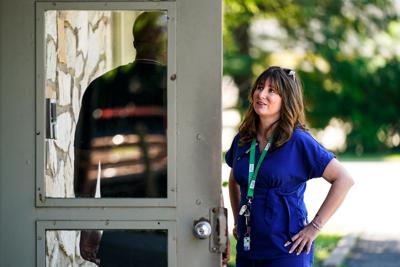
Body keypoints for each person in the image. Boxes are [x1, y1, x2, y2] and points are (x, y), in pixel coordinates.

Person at [226, 66, 354, 266]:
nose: (262, 94)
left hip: (286, 251)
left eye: (272, 91)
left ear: (285, 99)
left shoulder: (298, 140)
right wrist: (237, 220)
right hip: (247, 250)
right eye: (260, 87)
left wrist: (315, 227)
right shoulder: (243, 139)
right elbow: (235, 179)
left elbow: (344, 180)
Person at [74, 12, 168, 266]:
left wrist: (88, 224)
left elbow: (85, 160)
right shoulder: (180, 89)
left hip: (119, 228)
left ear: (135, 42)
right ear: (167, 44)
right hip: (173, 228)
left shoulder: (101, 87)